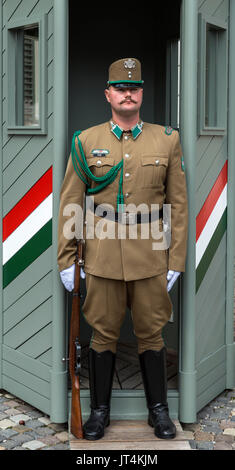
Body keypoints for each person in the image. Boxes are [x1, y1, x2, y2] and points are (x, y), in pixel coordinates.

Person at [57, 58, 188, 441]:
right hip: (101, 256)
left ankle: (159, 412)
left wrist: (176, 258)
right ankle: (98, 412)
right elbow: (71, 202)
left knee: (151, 334)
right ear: (108, 94)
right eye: (120, 87)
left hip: (151, 254)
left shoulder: (167, 139)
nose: (127, 93)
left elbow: (178, 205)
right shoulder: (86, 141)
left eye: (134, 88)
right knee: (102, 334)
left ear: (142, 93)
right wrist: (67, 260)